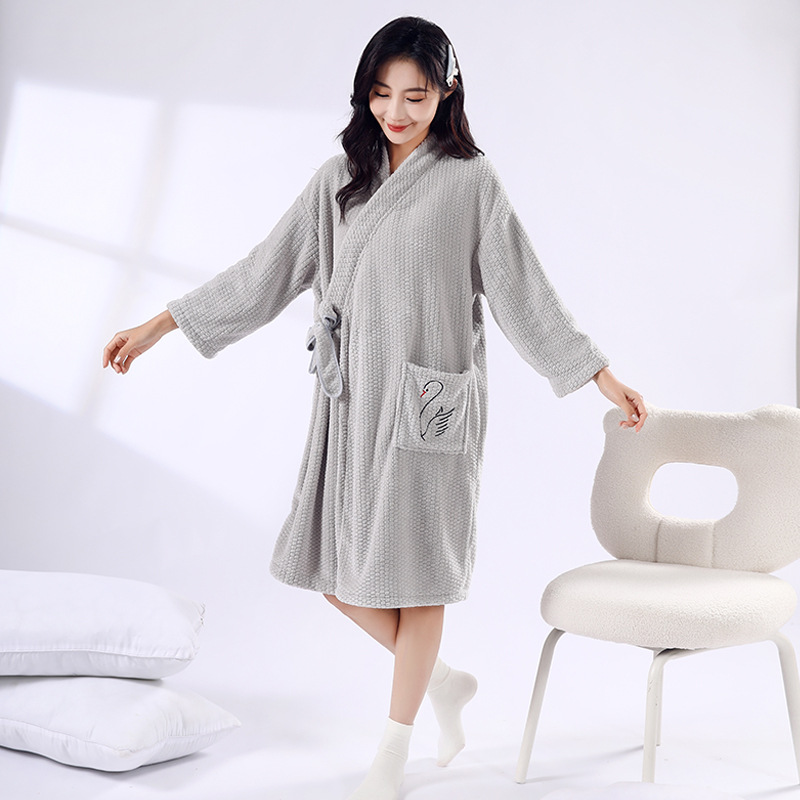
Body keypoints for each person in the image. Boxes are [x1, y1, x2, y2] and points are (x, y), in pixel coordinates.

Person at [102, 16, 646, 800]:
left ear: (447, 94)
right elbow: (264, 273)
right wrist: (161, 325)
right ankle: (441, 681)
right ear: (364, 93)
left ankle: (393, 752)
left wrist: (598, 373)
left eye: (415, 96)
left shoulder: (470, 183)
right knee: (332, 565)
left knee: (418, 577)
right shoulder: (338, 180)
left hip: (430, 407)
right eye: (382, 93)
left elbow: (523, 291)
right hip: (351, 405)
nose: (395, 111)